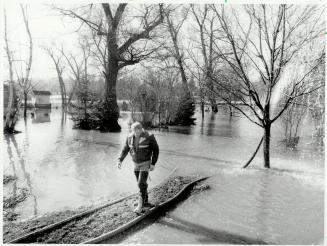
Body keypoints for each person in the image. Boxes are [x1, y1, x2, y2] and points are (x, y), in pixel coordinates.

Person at [117, 121, 159, 213]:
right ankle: (145, 202)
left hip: (145, 163)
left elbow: (156, 150)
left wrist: (153, 163)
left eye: (138, 131)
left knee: (141, 184)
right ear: (132, 130)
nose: (137, 133)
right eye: (135, 131)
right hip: (135, 164)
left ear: (141, 129)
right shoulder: (129, 137)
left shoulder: (149, 136)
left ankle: (140, 206)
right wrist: (120, 160)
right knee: (141, 185)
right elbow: (125, 149)